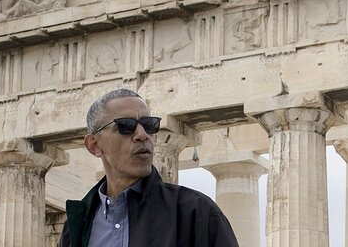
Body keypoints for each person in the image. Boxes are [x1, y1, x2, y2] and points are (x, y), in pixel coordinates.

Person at [59, 89, 239, 247]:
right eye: (126, 126)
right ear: (94, 145)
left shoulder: (197, 212)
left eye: (149, 125)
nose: (142, 135)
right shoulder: (76, 227)